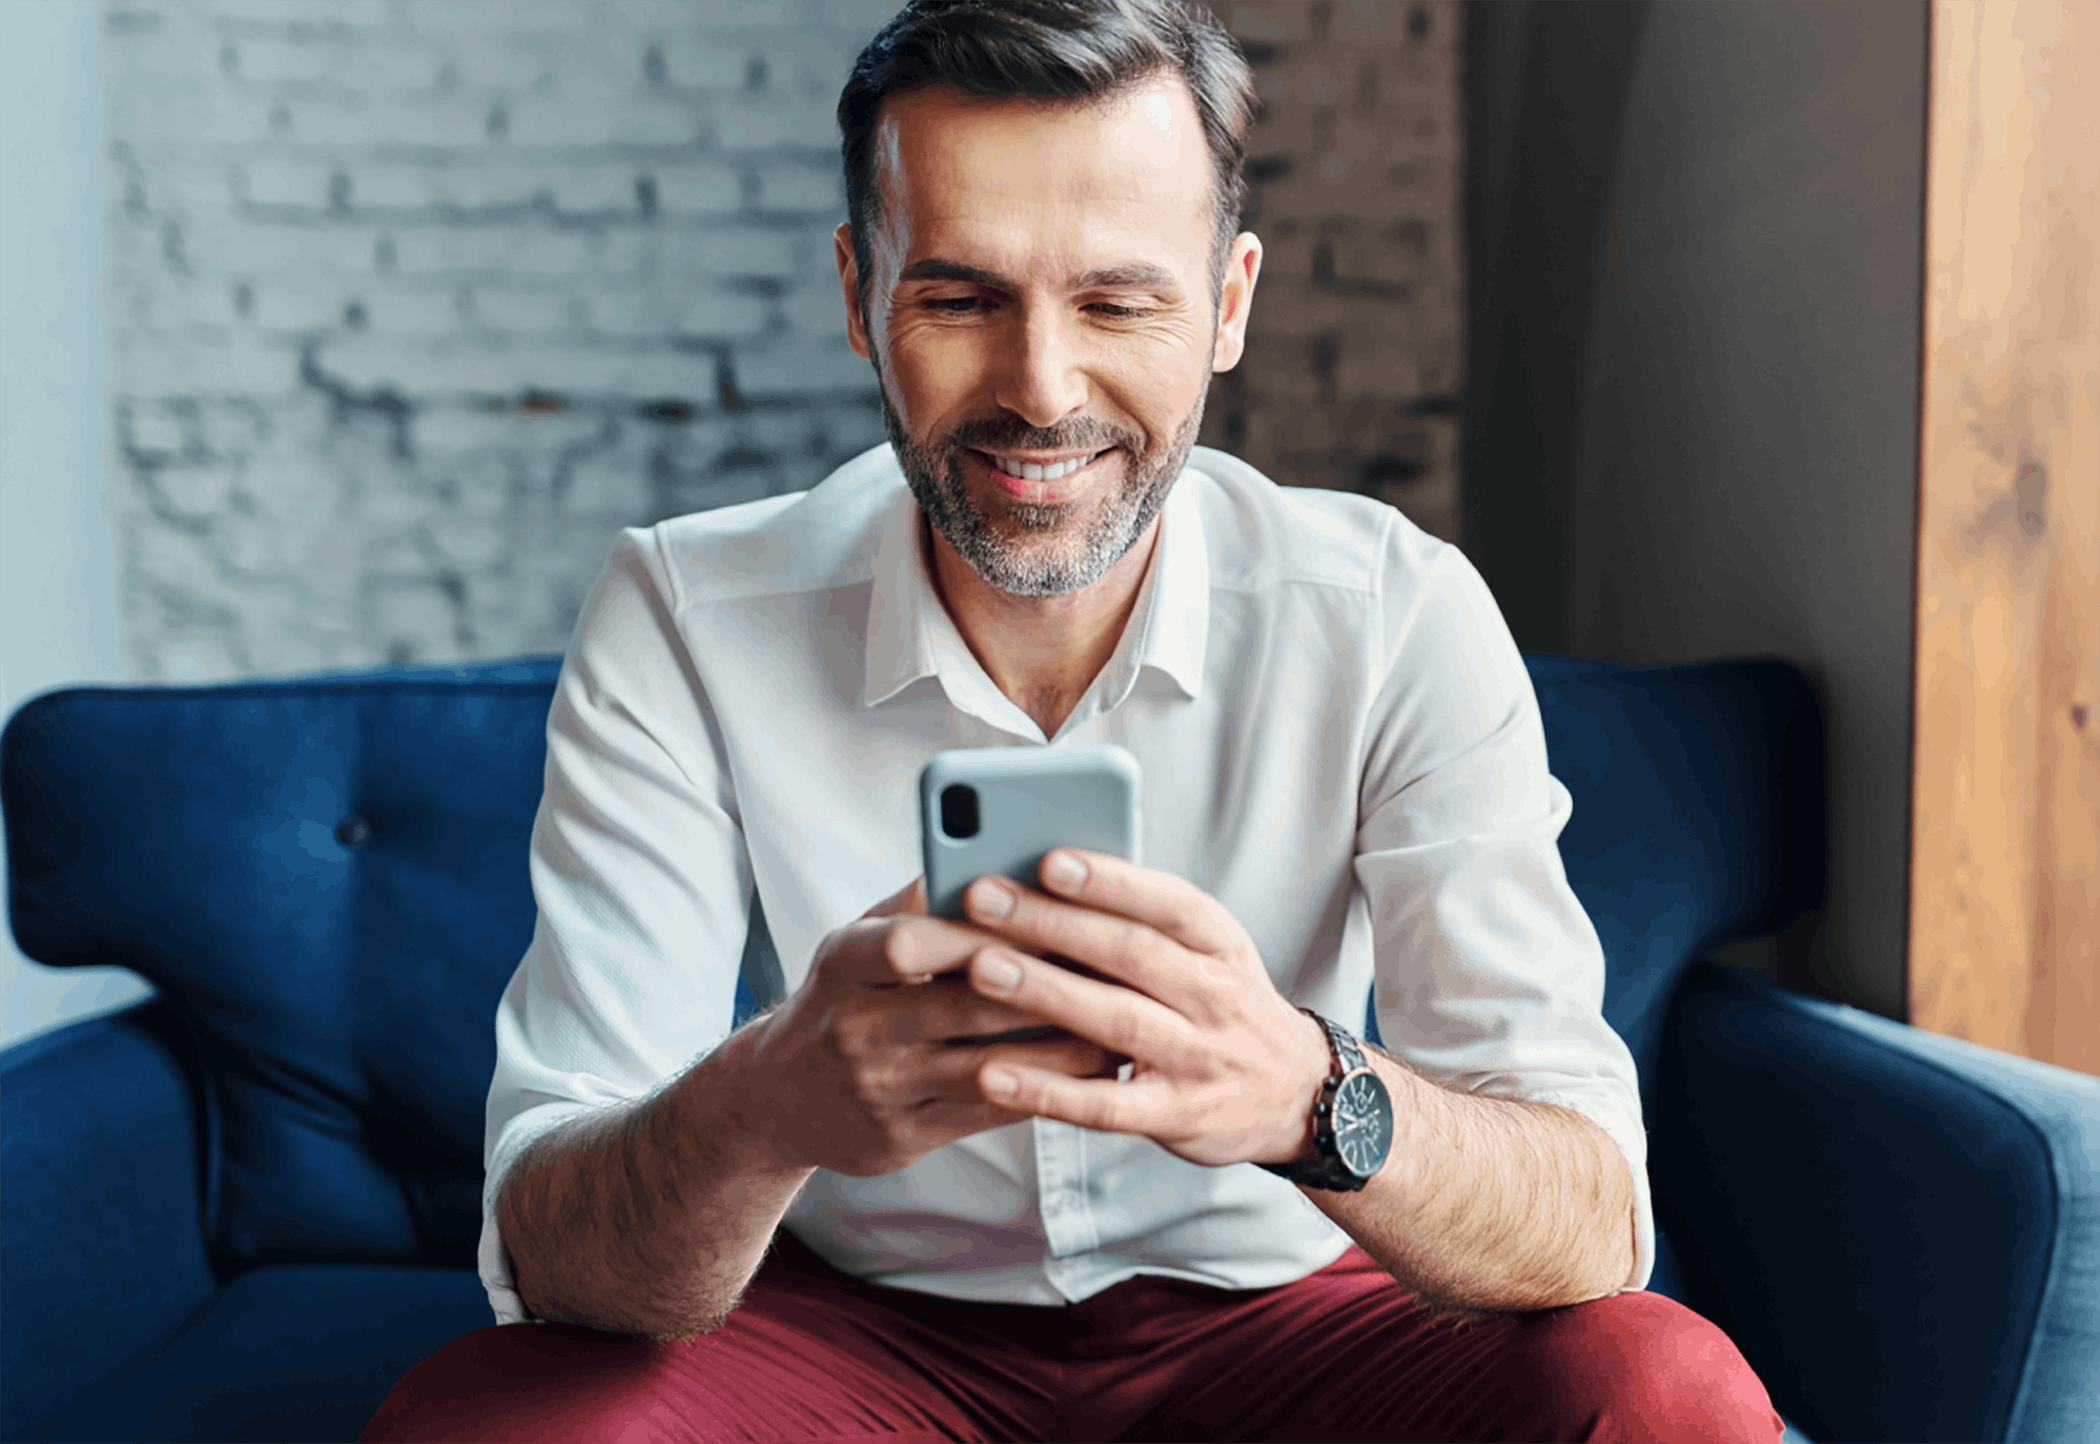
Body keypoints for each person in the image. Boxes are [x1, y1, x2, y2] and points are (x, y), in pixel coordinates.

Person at [362, 2, 1785, 1439]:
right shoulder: (683, 611)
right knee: (483, 1423)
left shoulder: (1394, 612)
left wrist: (1308, 1093)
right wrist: (766, 1104)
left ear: (1229, 305)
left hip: (1300, 1317)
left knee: (1665, 1397)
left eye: (1117, 303)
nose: (1041, 392)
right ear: (860, 294)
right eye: (962, 299)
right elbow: (553, 1251)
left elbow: (1593, 1220)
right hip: (860, 1336)